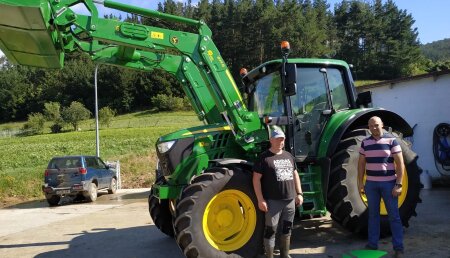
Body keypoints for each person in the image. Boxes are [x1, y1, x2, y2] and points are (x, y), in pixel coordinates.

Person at [253, 126, 303, 258]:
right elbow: (256, 180)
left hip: (290, 202)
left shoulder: (289, 156)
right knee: (270, 231)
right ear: (271, 140)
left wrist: (299, 193)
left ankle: (284, 255)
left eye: (283, 139)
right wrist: (260, 199)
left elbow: (295, 175)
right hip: (273, 203)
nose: (281, 142)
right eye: (278, 139)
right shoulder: (264, 158)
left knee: (286, 230)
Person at [358, 116, 405, 257]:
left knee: (394, 217)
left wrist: (399, 184)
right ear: (368, 127)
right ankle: (372, 244)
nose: (374, 128)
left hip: (389, 184)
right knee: (373, 216)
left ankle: (398, 248)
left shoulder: (392, 141)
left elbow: (400, 163)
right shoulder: (365, 143)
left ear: (382, 125)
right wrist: (360, 182)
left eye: (376, 125)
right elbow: (361, 164)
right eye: (371, 126)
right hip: (371, 184)